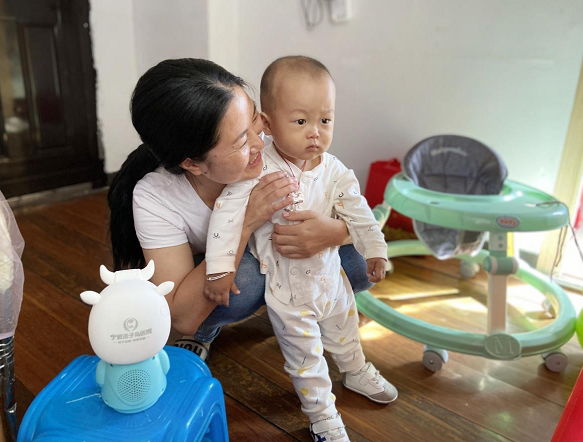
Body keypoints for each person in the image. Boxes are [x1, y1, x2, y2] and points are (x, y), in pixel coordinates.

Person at [107, 58, 377, 362]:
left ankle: (303, 309)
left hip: (282, 260)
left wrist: (336, 233)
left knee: (358, 263)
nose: (260, 143)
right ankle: (206, 332)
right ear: (192, 164)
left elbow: (356, 212)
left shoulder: (284, 149)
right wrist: (245, 222)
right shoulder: (156, 197)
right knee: (245, 280)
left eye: (255, 120)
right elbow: (180, 316)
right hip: (227, 272)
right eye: (240, 142)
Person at [204, 56, 397, 442]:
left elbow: (359, 212)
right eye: (300, 121)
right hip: (287, 292)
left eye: (325, 120)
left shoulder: (335, 170)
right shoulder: (259, 168)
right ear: (268, 123)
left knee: (346, 334)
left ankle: (355, 370)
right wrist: (220, 270)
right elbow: (226, 215)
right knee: (306, 359)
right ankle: (322, 415)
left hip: (332, 280)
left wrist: (376, 249)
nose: (315, 133)